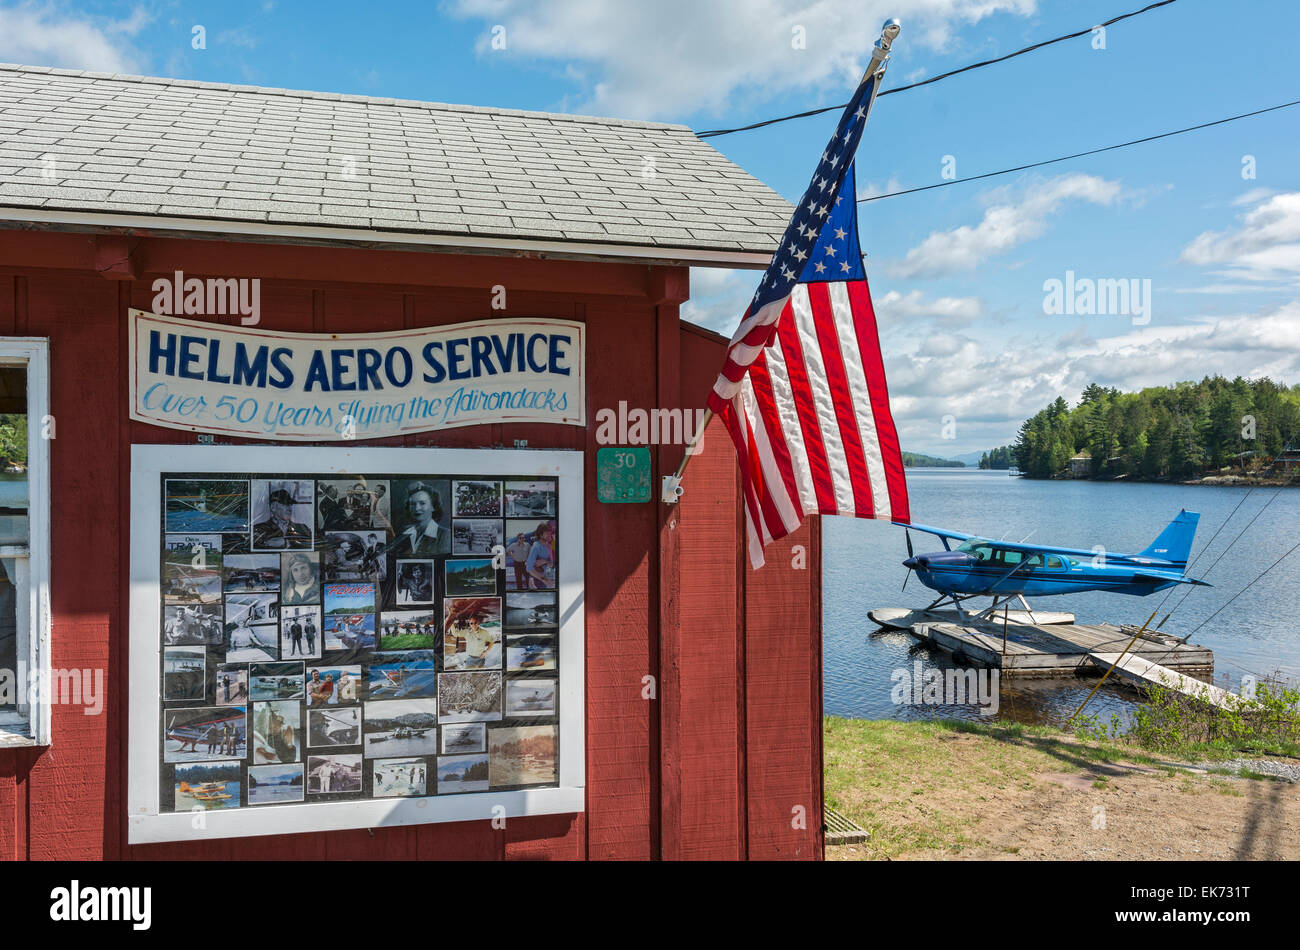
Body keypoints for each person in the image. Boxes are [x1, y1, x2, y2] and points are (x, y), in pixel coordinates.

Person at [396, 482, 446, 555]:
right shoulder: (402, 534)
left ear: (433, 506)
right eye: (412, 504)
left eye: (422, 503)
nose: (416, 508)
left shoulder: (445, 535)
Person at [525, 522, 556, 589]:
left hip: (546, 581)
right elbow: (529, 568)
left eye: (550, 533)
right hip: (536, 582)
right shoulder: (536, 547)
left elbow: (551, 564)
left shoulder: (549, 546)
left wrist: (545, 561)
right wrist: (545, 580)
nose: (550, 535)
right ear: (541, 535)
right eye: (547, 533)